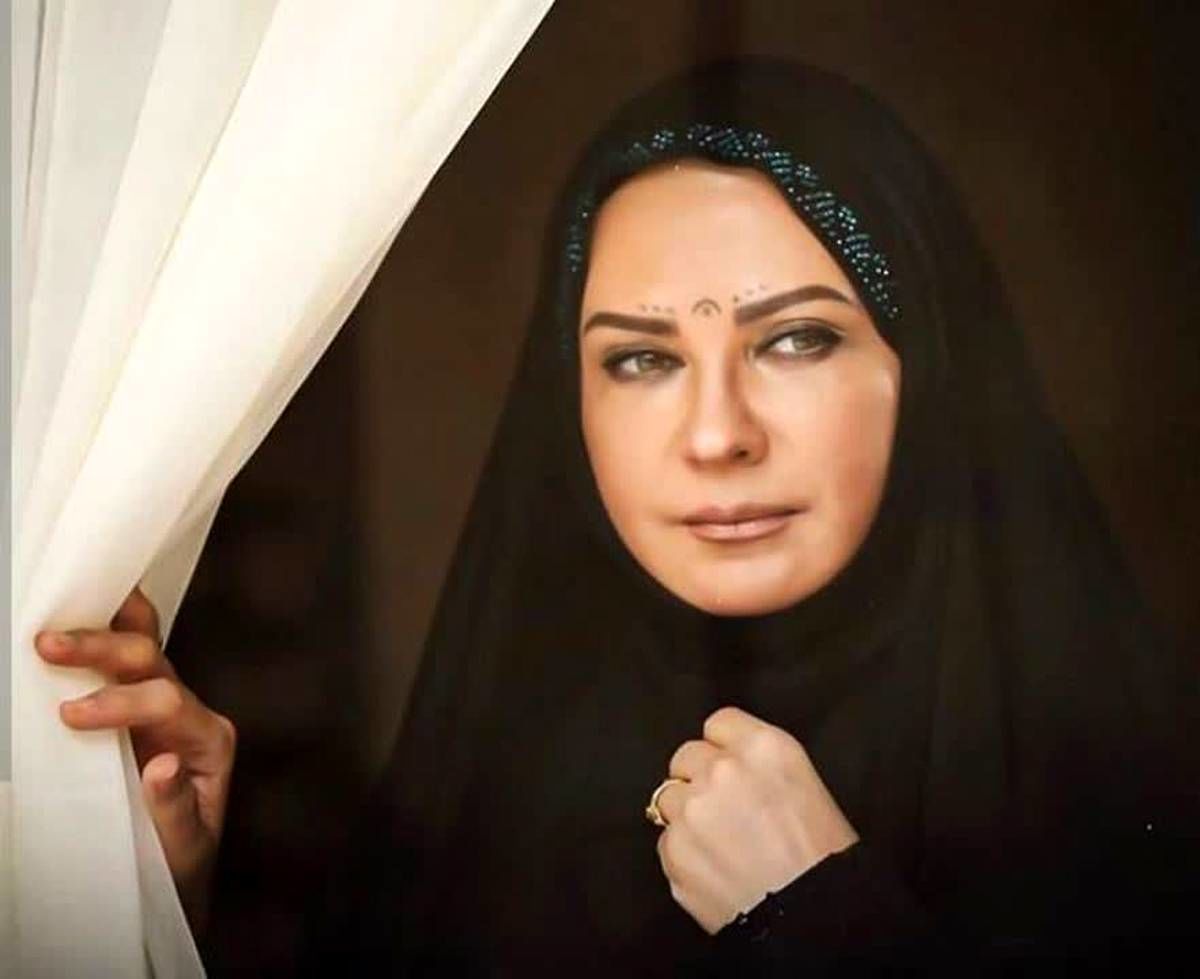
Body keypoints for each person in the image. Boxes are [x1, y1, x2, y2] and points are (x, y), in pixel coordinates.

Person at [38, 60, 1198, 974]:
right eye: (642, 358)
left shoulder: (1112, 801)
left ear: (928, 371)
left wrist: (822, 915)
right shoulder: (481, 803)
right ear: (571, 406)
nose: (716, 433)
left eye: (798, 339)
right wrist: (159, 902)